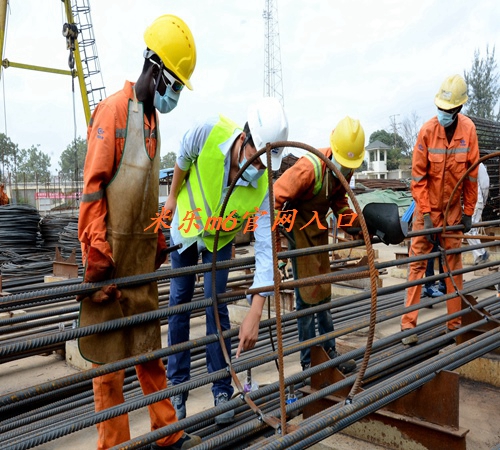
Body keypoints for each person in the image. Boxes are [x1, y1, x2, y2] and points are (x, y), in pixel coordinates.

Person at [77, 15, 200, 450]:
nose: (176, 95)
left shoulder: (152, 122)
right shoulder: (112, 111)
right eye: (177, 84)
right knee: (109, 369)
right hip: (109, 261)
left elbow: (147, 196)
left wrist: (160, 239)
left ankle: (169, 435)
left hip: (141, 262)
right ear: (157, 69)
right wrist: (97, 255)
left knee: (150, 354)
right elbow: (93, 190)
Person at [164, 97, 289, 424]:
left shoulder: (263, 185)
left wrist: (257, 308)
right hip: (189, 225)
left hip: (220, 238)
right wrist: (171, 198)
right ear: (245, 137)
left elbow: (266, 248)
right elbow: (183, 155)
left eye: (266, 163)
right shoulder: (209, 132)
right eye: (255, 158)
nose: (259, 167)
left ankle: (221, 389)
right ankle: (176, 386)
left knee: (214, 303)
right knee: (180, 300)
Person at [273, 116, 363, 375]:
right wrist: (277, 250)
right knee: (305, 299)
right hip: (297, 235)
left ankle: (328, 351)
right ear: (333, 149)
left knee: (323, 293)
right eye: (344, 164)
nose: (347, 170)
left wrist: (357, 225)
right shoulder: (309, 168)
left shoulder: (345, 169)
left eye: (350, 165)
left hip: (318, 232)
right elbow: (274, 200)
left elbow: (340, 205)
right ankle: (308, 362)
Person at [401, 74, 479, 343]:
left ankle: (454, 326)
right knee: (416, 265)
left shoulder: (468, 131)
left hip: (453, 213)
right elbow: (418, 178)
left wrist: (468, 212)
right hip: (426, 212)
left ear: (458, 109)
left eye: (448, 110)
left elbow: (471, 176)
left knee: (453, 269)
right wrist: (424, 213)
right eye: (441, 109)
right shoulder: (426, 131)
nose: (443, 114)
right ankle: (408, 328)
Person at [466, 162, 490, 265]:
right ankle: (479, 256)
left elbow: (485, 186)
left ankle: (481, 254)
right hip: (470, 203)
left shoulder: (479, 165)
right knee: (470, 230)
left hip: (476, 201)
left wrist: (482, 201)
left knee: (470, 230)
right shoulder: (465, 164)